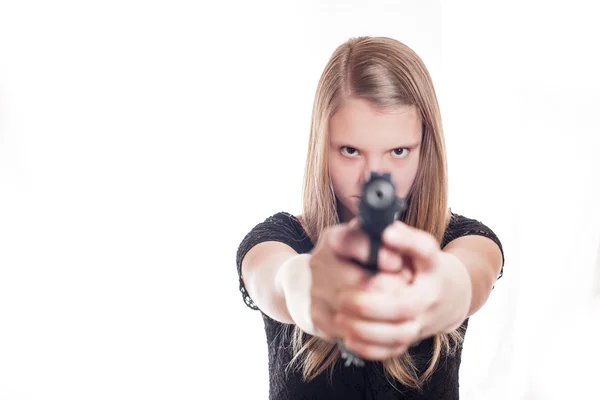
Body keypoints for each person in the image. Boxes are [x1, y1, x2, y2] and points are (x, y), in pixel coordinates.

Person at [235, 36, 505, 399]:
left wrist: (433, 291)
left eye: (397, 151)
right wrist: (312, 289)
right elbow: (279, 280)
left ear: (426, 149)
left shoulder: (466, 241)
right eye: (350, 151)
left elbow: (467, 278)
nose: (373, 176)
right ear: (321, 146)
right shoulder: (277, 240)